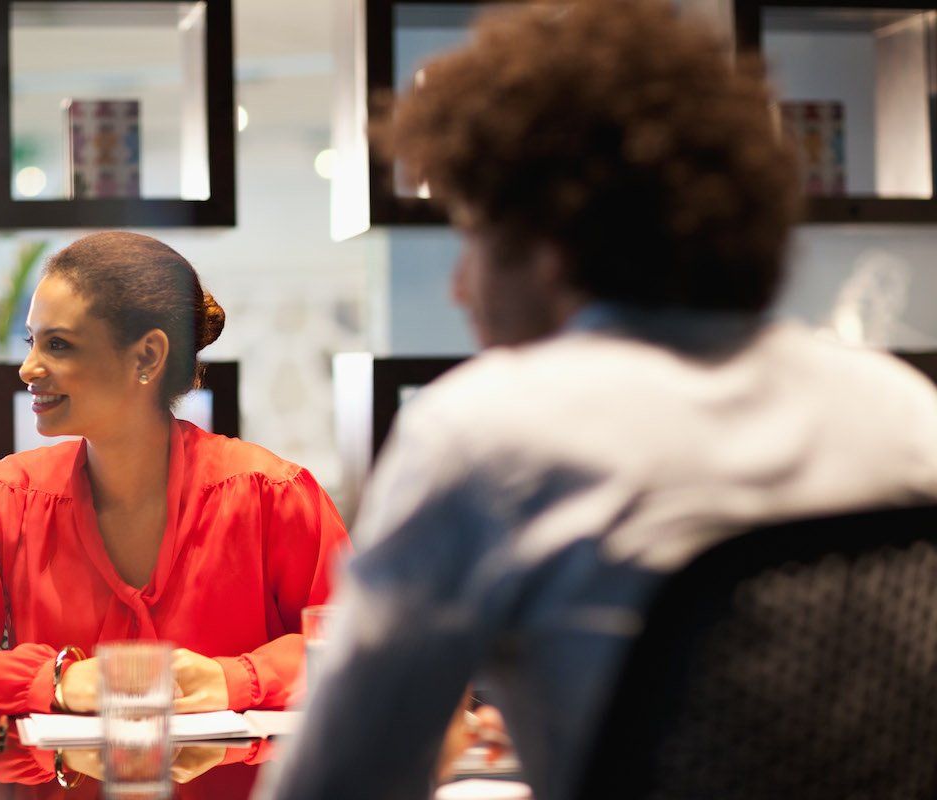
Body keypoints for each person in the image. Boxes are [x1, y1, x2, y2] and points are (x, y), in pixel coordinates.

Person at [262, 1, 937, 799]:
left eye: (473, 239)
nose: (458, 285)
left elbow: (340, 781)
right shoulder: (902, 408)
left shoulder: (483, 430)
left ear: (549, 252)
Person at [0, 231, 350, 718]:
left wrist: (236, 679)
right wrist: (54, 681)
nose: (29, 368)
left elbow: (365, 645)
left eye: (58, 345)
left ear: (147, 357)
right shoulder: (4, 500)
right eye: (31, 341)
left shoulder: (272, 496)